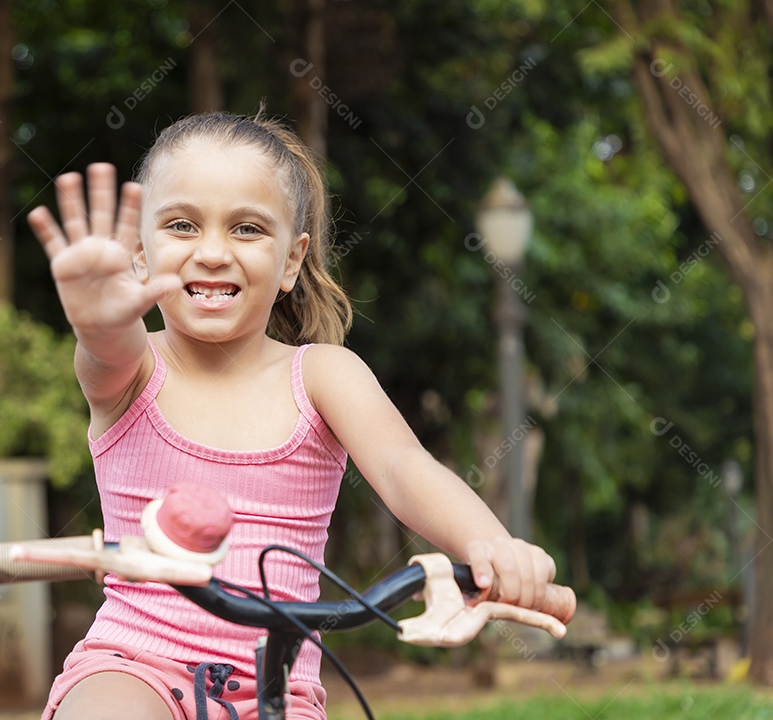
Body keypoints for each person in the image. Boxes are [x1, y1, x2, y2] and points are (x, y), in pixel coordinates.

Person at [27, 111, 558, 720]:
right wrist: (99, 323)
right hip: (134, 665)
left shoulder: (324, 375)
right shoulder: (134, 369)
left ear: (290, 261)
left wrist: (492, 543)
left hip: (278, 687)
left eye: (247, 229)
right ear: (140, 255)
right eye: (181, 225)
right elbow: (105, 353)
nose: (212, 251)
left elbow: (406, 470)